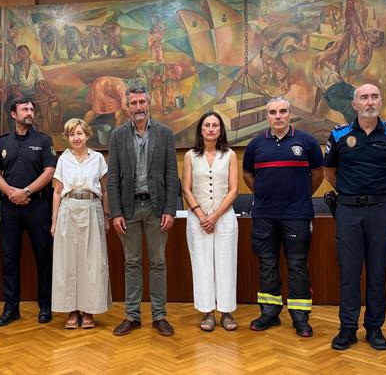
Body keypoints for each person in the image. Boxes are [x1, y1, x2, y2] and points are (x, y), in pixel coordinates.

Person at [324, 84, 386, 351]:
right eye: (364, 97)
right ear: (354, 104)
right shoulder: (339, 135)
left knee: (377, 270)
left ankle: (374, 328)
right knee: (348, 272)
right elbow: (329, 172)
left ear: (380, 101)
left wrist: (378, 196)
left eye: (374, 96)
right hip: (348, 210)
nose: (370, 101)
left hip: (380, 211)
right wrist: (350, 194)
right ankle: (347, 328)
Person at [242, 97, 324, 337]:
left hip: (297, 215)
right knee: (267, 265)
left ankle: (300, 317)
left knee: (298, 266)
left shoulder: (307, 141)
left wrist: (301, 195)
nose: (278, 116)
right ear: (267, 116)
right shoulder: (256, 144)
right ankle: (269, 312)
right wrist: (263, 193)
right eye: (273, 112)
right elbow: (248, 174)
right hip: (264, 215)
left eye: (283, 111)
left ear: (290, 114)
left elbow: (318, 174)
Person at [107, 86, 179, 336]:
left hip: (156, 207)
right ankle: (132, 315)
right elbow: (113, 177)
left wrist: (171, 209)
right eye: (134, 103)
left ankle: (159, 315)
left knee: (158, 262)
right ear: (127, 106)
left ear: (149, 104)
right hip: (128, 209)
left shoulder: (165, 133)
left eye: (142, 102)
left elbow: (172, 173)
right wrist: (115, 212)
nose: (138, 107)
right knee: (132, 262)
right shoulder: (117, 135)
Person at [0, 98, 57, 326]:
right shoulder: (2, 142)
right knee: (9, 258)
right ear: (13, 114)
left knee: (43, 257)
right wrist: (10, 192)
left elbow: (50, 171)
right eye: (24, 109)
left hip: (38, 206)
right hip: (10, 208)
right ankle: (11, 309)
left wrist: (25, 191)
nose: (29, 112)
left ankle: (46, 307)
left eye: (31, 109)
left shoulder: (43, 140)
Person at [50, 118, 112, 329]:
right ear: (67, 138)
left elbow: (104, 191)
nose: (76, 138)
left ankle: (88, 310)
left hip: (92, 209)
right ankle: (72, 311)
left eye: (79, 133)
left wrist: (106, 216)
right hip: (68, 209)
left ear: (87, 135)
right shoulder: (62, 160)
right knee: (68, 261)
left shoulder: (98, 159)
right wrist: (54, 220)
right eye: (71, 134)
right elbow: (57, 193)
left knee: (91, 262)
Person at [181, 111, 239, 332]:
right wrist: (201, 214)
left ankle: (226, 311)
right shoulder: (190, 156)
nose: (211, 129)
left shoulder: (230, 155)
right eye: (207, 125)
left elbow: (234, 189)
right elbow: (186, 188)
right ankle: (207, 311)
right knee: (202, 264)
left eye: (216, 125)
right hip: (197, 220)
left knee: (226, 264)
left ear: (221, 130)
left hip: (224, 219)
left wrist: (214, 216)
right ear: (201, 130)